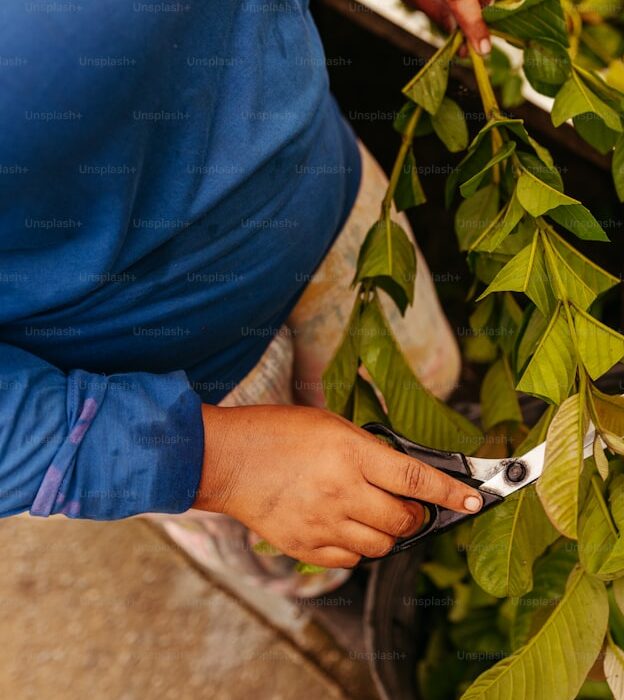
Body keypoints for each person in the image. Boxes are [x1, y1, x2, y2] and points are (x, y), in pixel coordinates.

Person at [0, 0, 490, 595]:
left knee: (426, 423)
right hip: (176, 396)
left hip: (338, 214)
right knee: (312, 560)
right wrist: (217, 465)